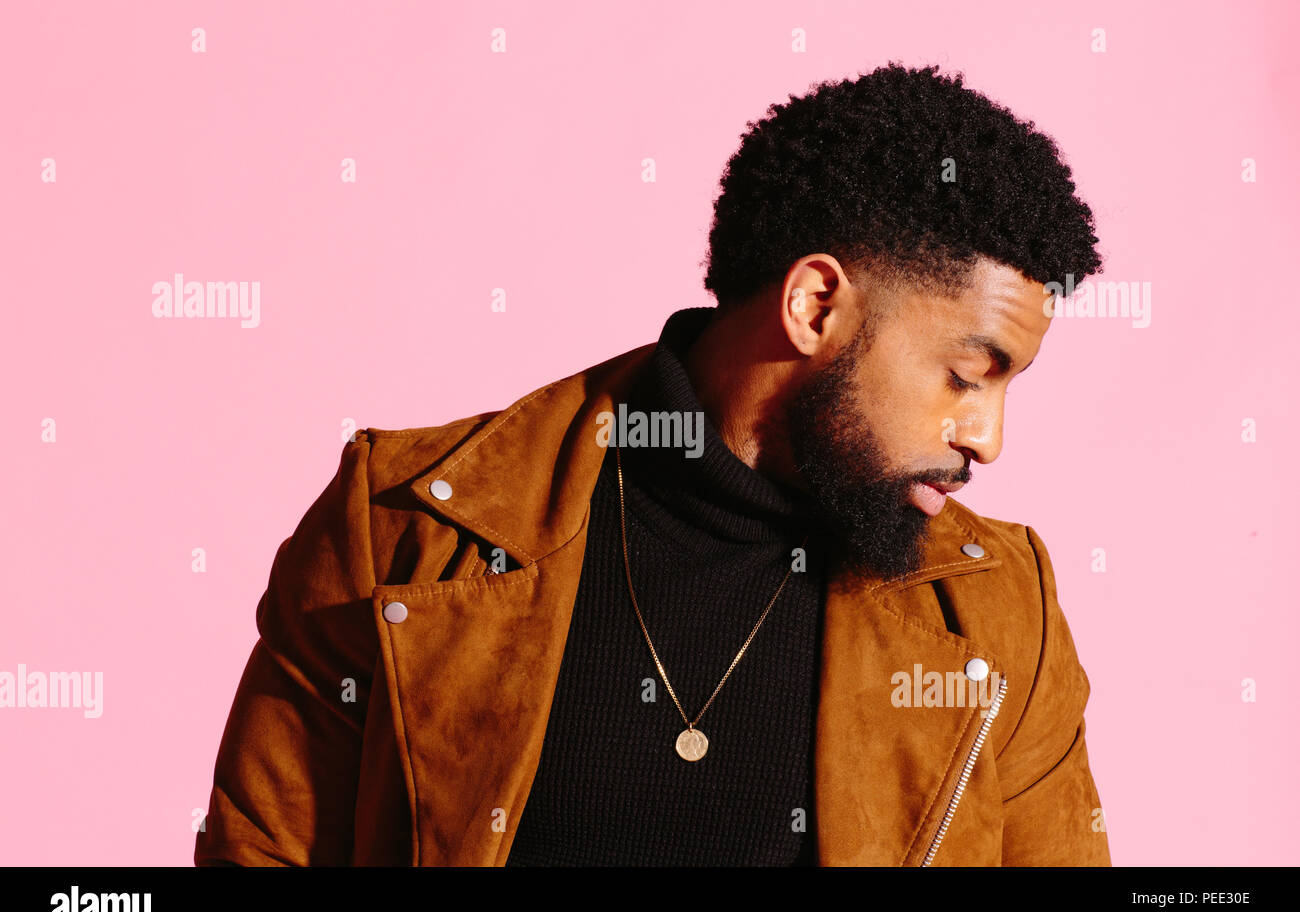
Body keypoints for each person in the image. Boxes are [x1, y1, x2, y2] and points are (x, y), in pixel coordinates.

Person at [195, 62, 1111, 866]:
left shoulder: (997, 610)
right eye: (966, 375)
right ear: (815, 305)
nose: (986, 438)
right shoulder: (405, 527)